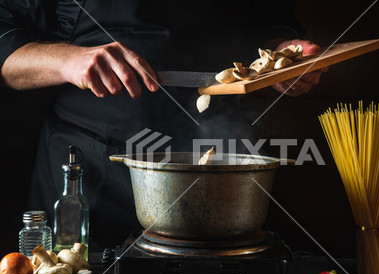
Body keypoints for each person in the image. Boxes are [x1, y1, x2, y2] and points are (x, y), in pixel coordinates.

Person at [0, 1, 327, 252]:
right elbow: (6, 43)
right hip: (96, 174)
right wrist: (66, 60)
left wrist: (285, 55)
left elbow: (270, 16)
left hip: (227, 163)